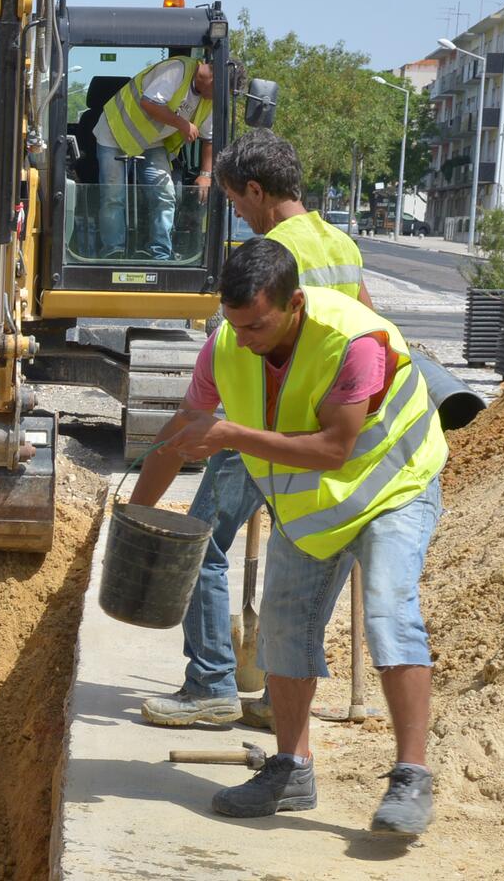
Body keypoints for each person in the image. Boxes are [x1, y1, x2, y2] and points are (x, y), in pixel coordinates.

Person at [129, 237, 447, 838]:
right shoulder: (226, 346)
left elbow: (335, 448)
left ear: (294, 303)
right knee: (282, 627)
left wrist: (230, 435)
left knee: (388, 611)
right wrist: (137, 518)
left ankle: (411, 775)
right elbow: (183, 429)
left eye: (256, 325)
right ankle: (292, 769)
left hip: (393, 488)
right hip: (314, 510)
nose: (244, 338)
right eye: (234, 324)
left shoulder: (353, 341)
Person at [140, 129, 375, 729]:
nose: (238, 215)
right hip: (324, 430)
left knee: (199, 544)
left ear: (255, 189)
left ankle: (211, 684)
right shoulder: (340, 242)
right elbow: (369, 325)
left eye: (236, 202)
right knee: (302, 553)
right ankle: (275, 694)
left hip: (265, 425)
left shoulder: (272, 256)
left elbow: (246, 349)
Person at [94, 56, 213, 261]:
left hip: (151, 142)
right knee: (113, 196)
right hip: (115, 132)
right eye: (221, 91)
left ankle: (160, 254)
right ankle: (113, 251)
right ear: (214, 78)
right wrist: (183, 124)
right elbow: (149, 103)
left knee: (165, 194)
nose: (219, 98)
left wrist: (205, 175)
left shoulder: (209, 101)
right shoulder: (177, 70)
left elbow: (209, 138)